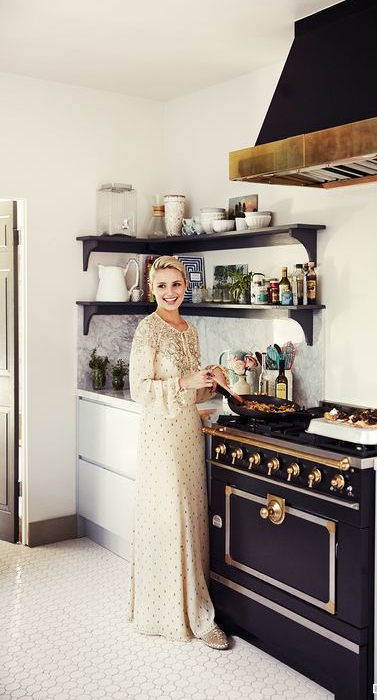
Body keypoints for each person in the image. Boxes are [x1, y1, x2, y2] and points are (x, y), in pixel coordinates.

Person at [128, 255, 229, 650]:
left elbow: (193, 390)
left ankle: (194, 605)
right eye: (162, 286)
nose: (170, 293)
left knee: (192, 513)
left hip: (188, 429)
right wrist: (185, 380)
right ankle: (175, 614)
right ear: (151, 289)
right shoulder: (147, 329)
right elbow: (141, 388)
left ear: (186, 286)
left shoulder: (191, 330)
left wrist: (211, 381)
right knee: (171, 515)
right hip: (160, 434)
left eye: (177, 285)